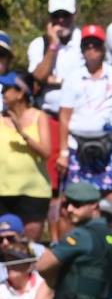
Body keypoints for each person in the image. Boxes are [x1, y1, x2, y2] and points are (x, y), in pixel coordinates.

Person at [27, 0, 85, 194]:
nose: (61, 21)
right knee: (51, 187)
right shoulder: (39, 44)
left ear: (74, 14)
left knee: (78, 188)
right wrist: (53, 46)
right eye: (56, 15)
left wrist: (57, 81)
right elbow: (39, 76)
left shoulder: (86, 42)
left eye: (65, 15)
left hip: (80, 121)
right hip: (49, 120)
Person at [0, 72, 54, 241]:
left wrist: (22, 132)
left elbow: (46, 152)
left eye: (7, 89)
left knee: (28, 248)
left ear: (20, 92)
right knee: (4, 246)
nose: (2, 93)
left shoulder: (39, 116)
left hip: (33, 192)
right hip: (3, 191)